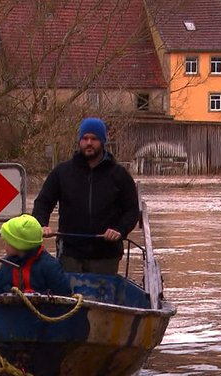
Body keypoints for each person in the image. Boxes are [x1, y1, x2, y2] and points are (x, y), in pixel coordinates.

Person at [32, 117, 140, 275]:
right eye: (85, 138)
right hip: (69, 254)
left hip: (106, 255)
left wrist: (119, 230)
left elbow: (132, 211)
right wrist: (41, 225)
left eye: (94, 139)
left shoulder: (119, 175)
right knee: (70, 298)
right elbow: (43, 203)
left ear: (102, 142)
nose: (89, 143)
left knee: (102, 299)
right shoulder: (62, 172)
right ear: (79, 141)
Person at [0, 214, 72, 296]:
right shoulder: (6, 265)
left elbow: (64, 294)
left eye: (8, 241)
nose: (4, 245)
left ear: (19, 245)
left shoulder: (50, 266)